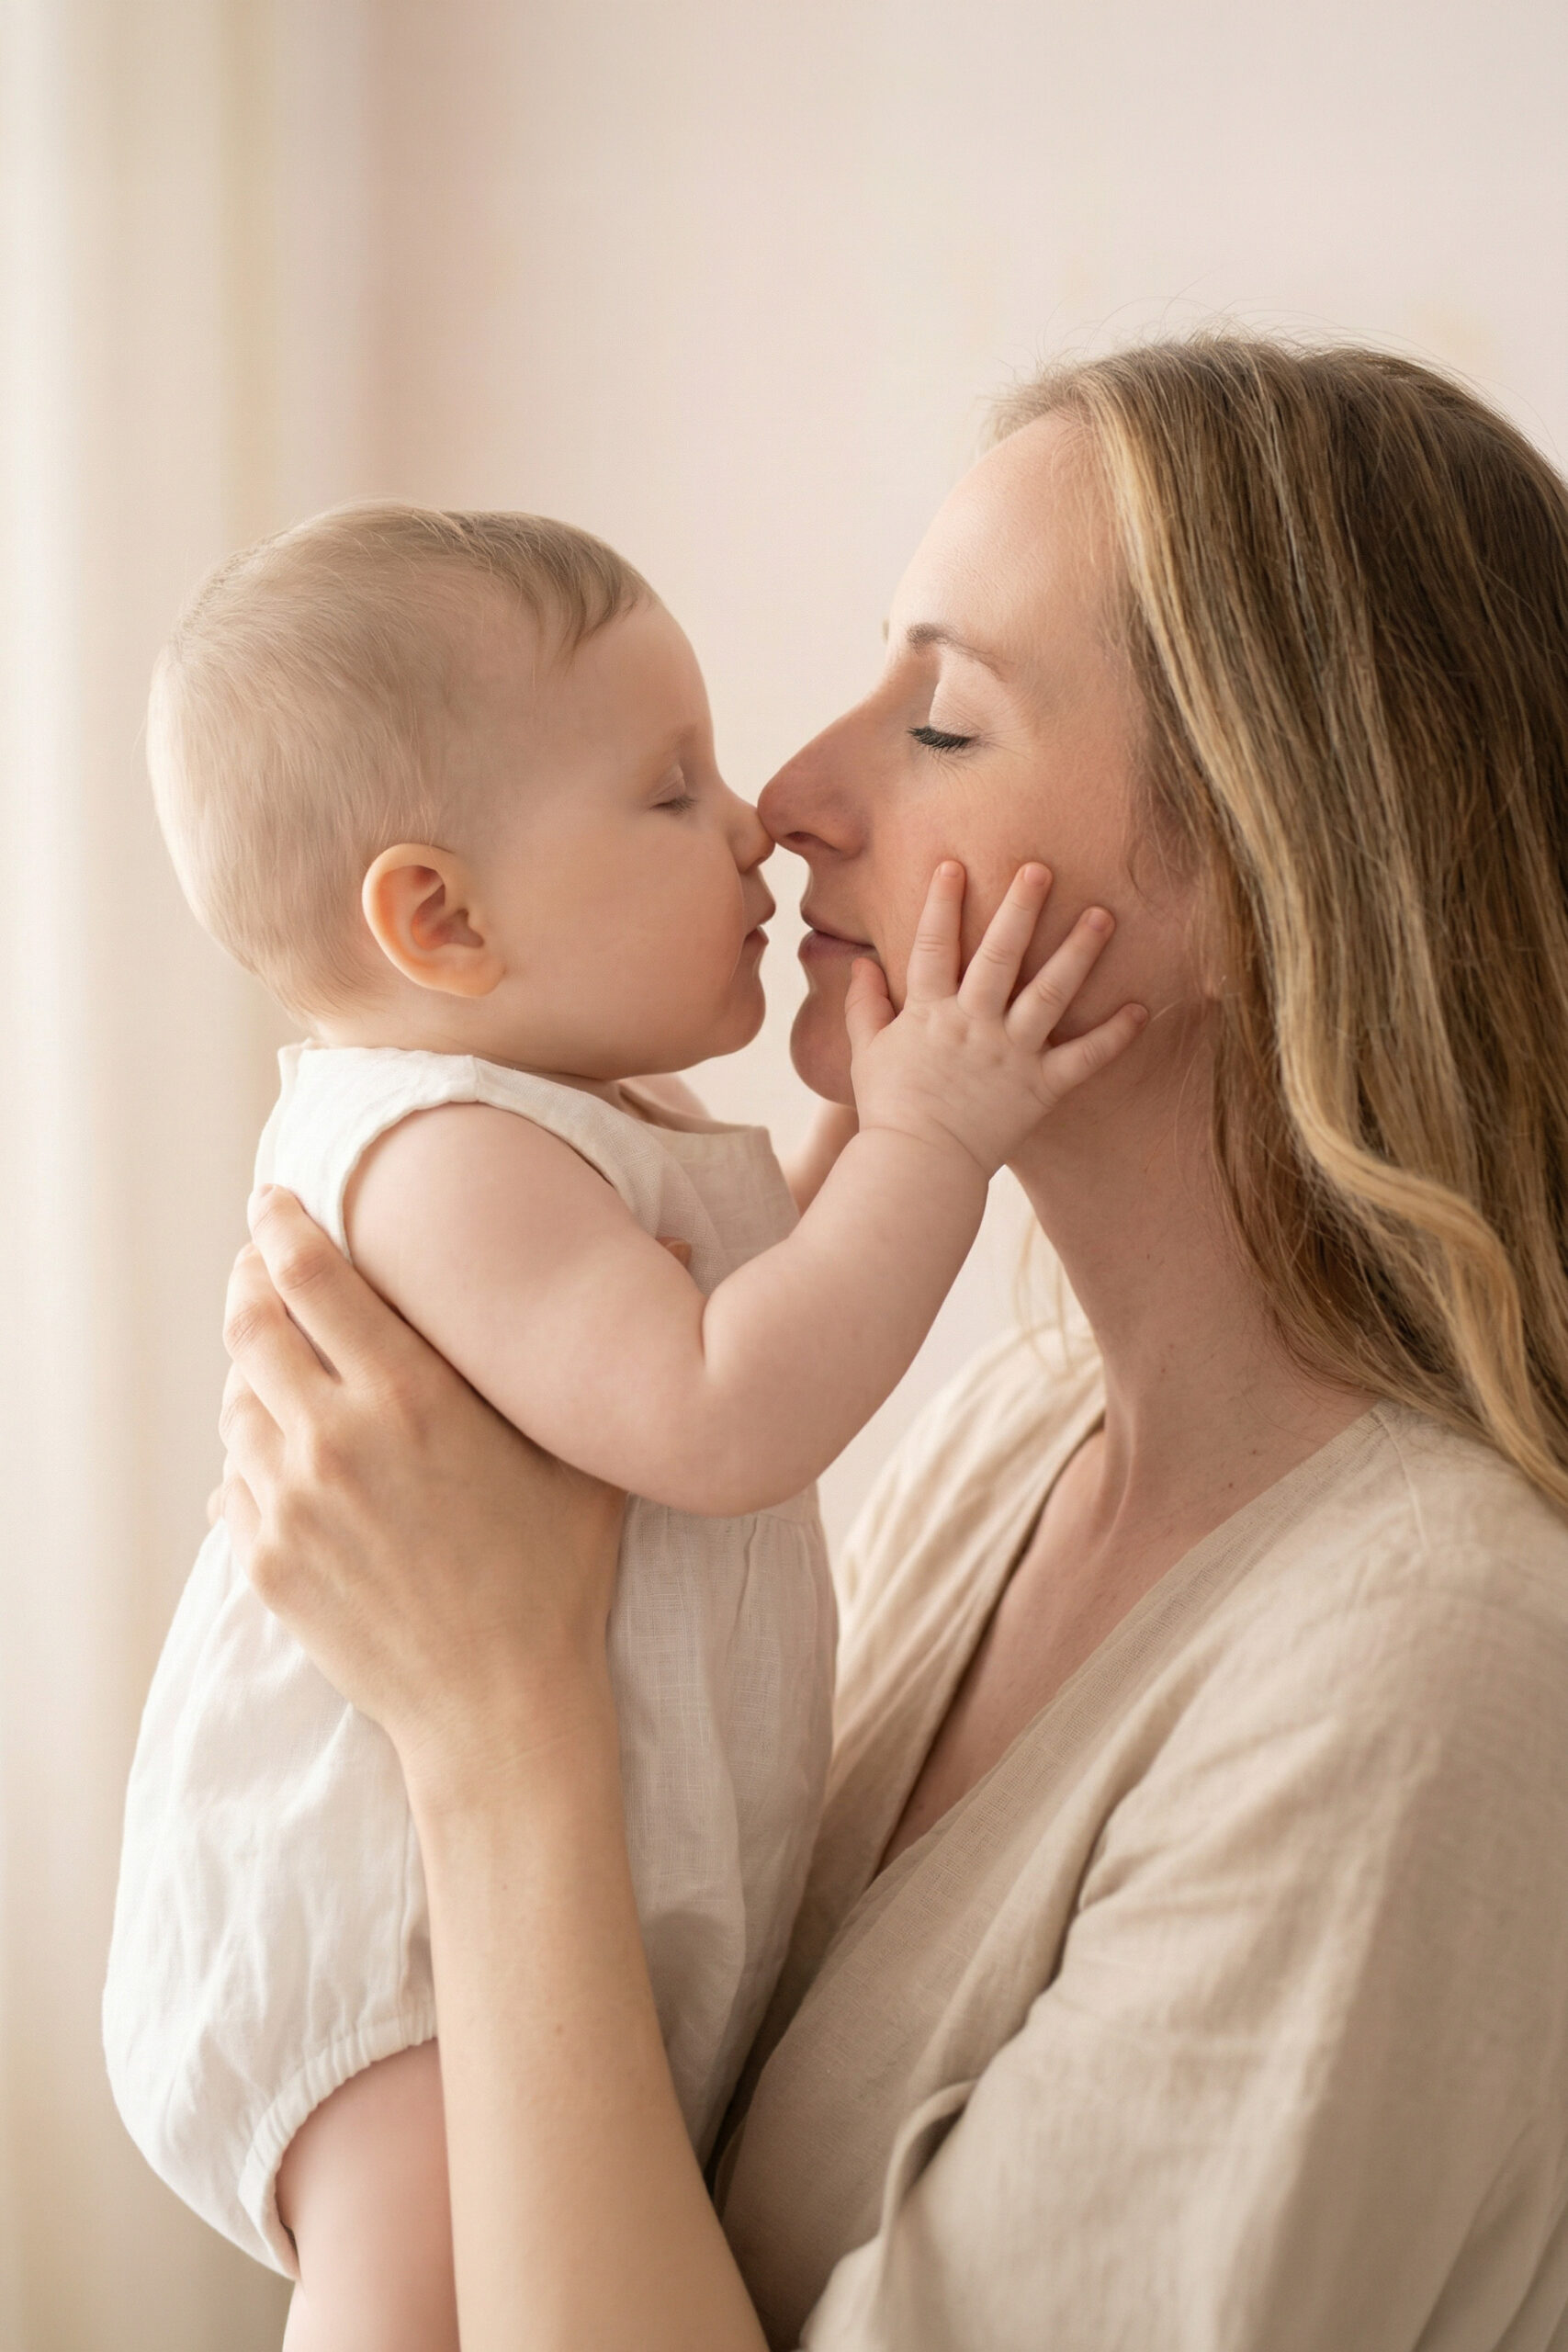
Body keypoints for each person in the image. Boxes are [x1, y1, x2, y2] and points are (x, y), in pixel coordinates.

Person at [217, 336, 1568, 2351]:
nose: (785, 800)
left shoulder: (1428, 1671)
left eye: (939, 722)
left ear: (1252, 879)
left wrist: (493, 1729)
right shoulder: (1001, 1448)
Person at [102, 503, 1143, 2346]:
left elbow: (767, 1299)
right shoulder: (432, 1158)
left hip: (502, 1884)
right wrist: (927, 1138)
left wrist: (877, 1133)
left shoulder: (575, 1123)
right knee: (407, 2289)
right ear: (439, 912)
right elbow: (725, 1407)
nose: (749, 818)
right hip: (390, 1938)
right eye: (668, 791)